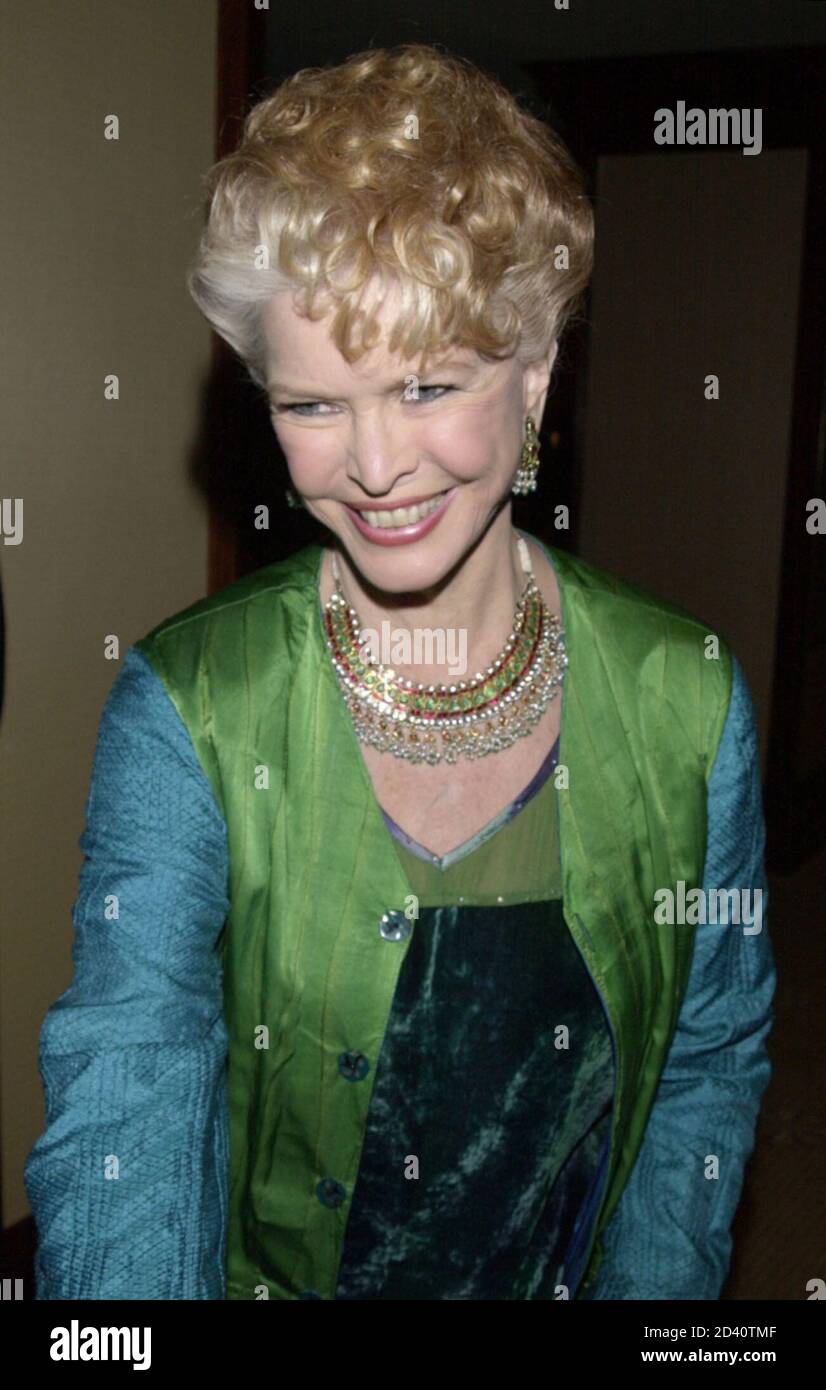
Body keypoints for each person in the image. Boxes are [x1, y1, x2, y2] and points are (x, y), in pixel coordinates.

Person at [25, 42, 775, 1301]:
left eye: (427, 385)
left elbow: (707, 1058)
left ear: (534, 374)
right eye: (312, 405)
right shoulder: (191, 708)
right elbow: (128, 1090)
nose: (372, 467)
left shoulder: (689, 697)